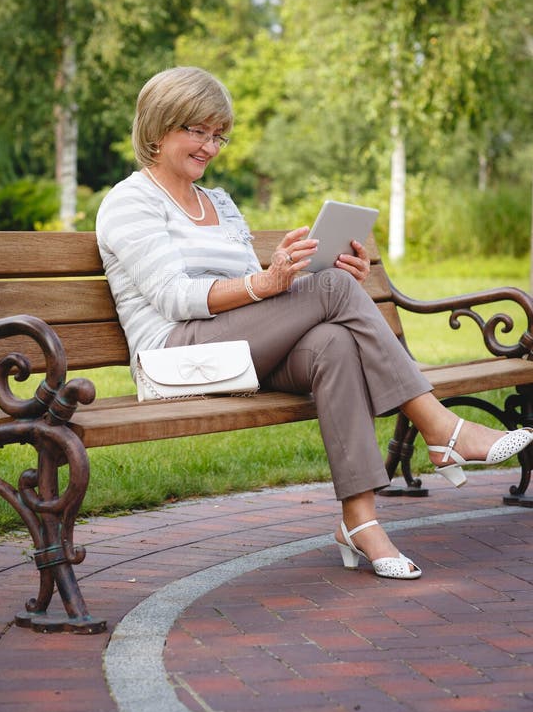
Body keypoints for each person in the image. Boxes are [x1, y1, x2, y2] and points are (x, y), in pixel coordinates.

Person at [96, 66, 533, 580]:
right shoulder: (130, 201)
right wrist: (270, 285)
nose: (210, 147)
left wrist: (279, 271)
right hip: (174, 354)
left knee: (331, 341)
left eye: (218, 135)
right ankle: (440, 428)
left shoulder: (218, 202)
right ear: (157, 127)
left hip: (231, 347)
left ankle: (360, 521)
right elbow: (175, 297)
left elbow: (246, 285)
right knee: (331, 291)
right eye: (196, 131)